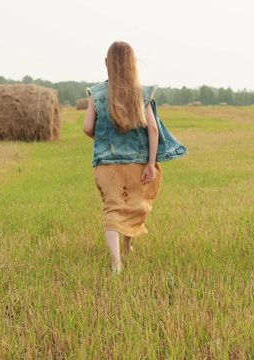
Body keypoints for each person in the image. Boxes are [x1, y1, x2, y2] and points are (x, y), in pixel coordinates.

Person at [83, 41, 187, 274]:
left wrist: (101, 138)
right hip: (136, 163)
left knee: (112, 207)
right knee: (133, 205)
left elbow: (87, 126)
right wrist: (151, 163)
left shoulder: (97, 93)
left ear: (107, 63)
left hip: (106, 165)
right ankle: (127, 249)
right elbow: (152, 128)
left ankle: (116, 262)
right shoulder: (142, 92)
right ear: (133, 64)